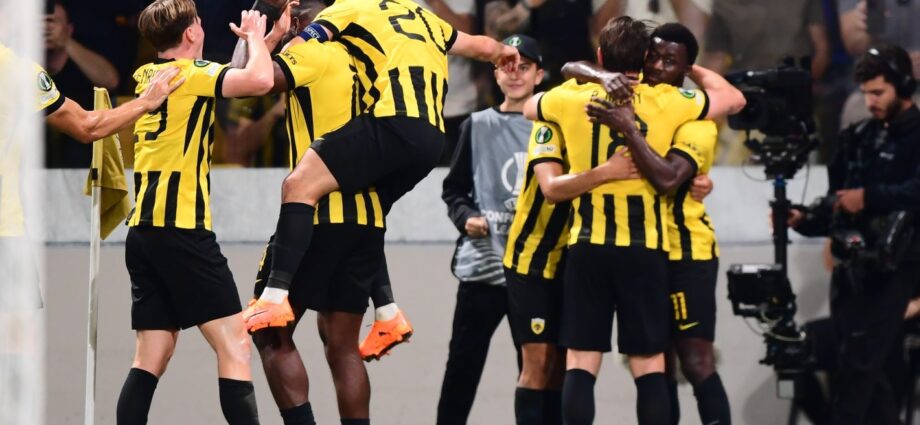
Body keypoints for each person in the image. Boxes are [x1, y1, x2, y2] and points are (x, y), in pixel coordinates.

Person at [242, 0, 522, 332]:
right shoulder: (424, 16)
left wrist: (271, 40)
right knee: (371, 205)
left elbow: (297, 48)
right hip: (433, 139)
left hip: (393, 123)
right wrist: (503, 52)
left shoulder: (349, 8)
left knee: (299, 183)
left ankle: (275, 295)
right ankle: (388, 312)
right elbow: (481, 46)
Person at [525, 16, 744, 424]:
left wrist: (591, 75)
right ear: (645, 59)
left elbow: (528, 106)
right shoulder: (668, 101)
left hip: (587, 245)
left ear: (600, 54)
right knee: (649, 364)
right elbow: (731, 100)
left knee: (580, 362)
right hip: (646, 249)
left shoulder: (568, 98)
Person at [112, 1, 279, 423]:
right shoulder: (193, 75)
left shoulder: (150, 75)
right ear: (191, 33)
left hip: (144, 234)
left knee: (152, 354)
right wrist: (255, 37)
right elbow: (258, 80)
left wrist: (266, 39)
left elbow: (228, 76)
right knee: (235, 344)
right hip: (181, 230)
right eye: (199, 22)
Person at [583, 22, 731, 425]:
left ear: (686, 69)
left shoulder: (697, 119)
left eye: (671, 61)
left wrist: (629, 129)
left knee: (696, 360)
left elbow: (668, 179)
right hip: (646, 250)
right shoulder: (632, 101)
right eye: (653, 56)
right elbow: (570, 70)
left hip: (687, 252)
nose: (658, 66)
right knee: (653, 362)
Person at [438, 34, 582, 425]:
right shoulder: (476, 125)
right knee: (462, 366)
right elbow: (454, 190)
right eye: (507, 65)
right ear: (495, 73)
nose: (515, 73)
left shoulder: (557, 125)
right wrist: (465, 216)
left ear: (539, 75)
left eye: (524, 66)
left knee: (544, 367)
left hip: (539, 269)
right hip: (485, 268)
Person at [787, 43, 920, 425]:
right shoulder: (860, 137)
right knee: (854, 365)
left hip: (898, 268)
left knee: (861, 367)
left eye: (878, 92)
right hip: (853, 266)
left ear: (903, 86)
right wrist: (804, 219)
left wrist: (868, 197)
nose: (870, 101)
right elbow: (839, 200)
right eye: (865, 93)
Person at [44, 0, 123, 167]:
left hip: (81, 148)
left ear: (69, 29)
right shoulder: (20, 62)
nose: (46, 28)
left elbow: (111, 81)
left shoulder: (81, 57)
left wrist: (66, 42)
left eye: (52, 22)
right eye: (40, 23)